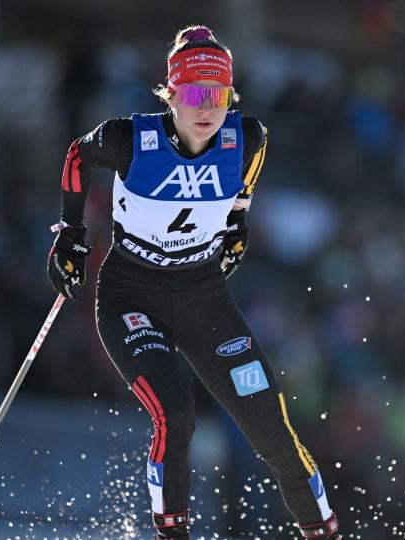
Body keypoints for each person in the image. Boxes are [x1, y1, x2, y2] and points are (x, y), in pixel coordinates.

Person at [46, 25, 342, 540]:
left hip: (203, 296)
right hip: (131, 296)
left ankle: (322, 530)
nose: (207, 107)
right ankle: (171, 533)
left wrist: (236, 223)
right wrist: (71, 235)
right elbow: (77, 155)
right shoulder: (130, 138)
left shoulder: (246, 138)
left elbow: (245, 182)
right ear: (171, 93)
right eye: (194, 93)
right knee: (176, 411)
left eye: (219, 95)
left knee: (271, 426)